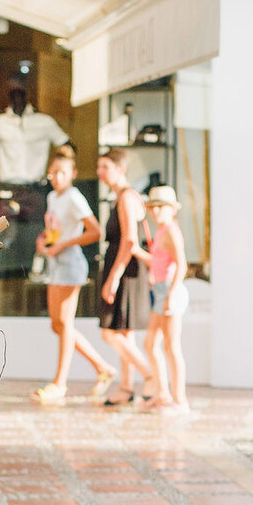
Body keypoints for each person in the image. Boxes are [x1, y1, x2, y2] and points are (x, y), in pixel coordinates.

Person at [31, 147, 114, 404]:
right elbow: (56, 230)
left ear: (73, 174)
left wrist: (64, 244)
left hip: (70, 264)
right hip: (55, 262)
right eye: (53, 172)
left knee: (65, 324)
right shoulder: (53, 198)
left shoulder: (74, 197)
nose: (56, 177)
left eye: (62, 172)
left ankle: (60, 383)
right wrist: (45, 240)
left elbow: (95, 231)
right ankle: (103, 368)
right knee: (58, 324)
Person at [0, 76, 68, 276]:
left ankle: (34, 280)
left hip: (35, 189)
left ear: (28, 93)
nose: (17, 97)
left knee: (34, 239)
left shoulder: (44, 122)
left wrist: (58, 172)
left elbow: (67, 146)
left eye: (20, 92)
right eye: (12, 93)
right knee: (1, 241)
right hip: (7, 190)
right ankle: (4, 284)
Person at [93, 148, 157, 404]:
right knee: (124, 331)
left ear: (121, 169)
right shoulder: (122, 196)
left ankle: (150, 377)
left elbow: (130, 240)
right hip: (124, 269)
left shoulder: (127, 197)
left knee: (111, 333)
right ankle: (126, 388)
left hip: (125, 271)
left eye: (105, 167)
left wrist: (114, 277)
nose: (99, 173)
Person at [137, 185, 190, 412]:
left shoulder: (170, 231)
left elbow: (182, 264)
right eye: (153, 207)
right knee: (152, 344)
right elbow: (159, 261)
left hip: (168, 291)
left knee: (170, 346)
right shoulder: (162, 230)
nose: (156, 211)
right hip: (162, 290)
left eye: (161, 207)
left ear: (171, 209)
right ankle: (163, 394)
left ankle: (178, 399)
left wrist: (170, 294)